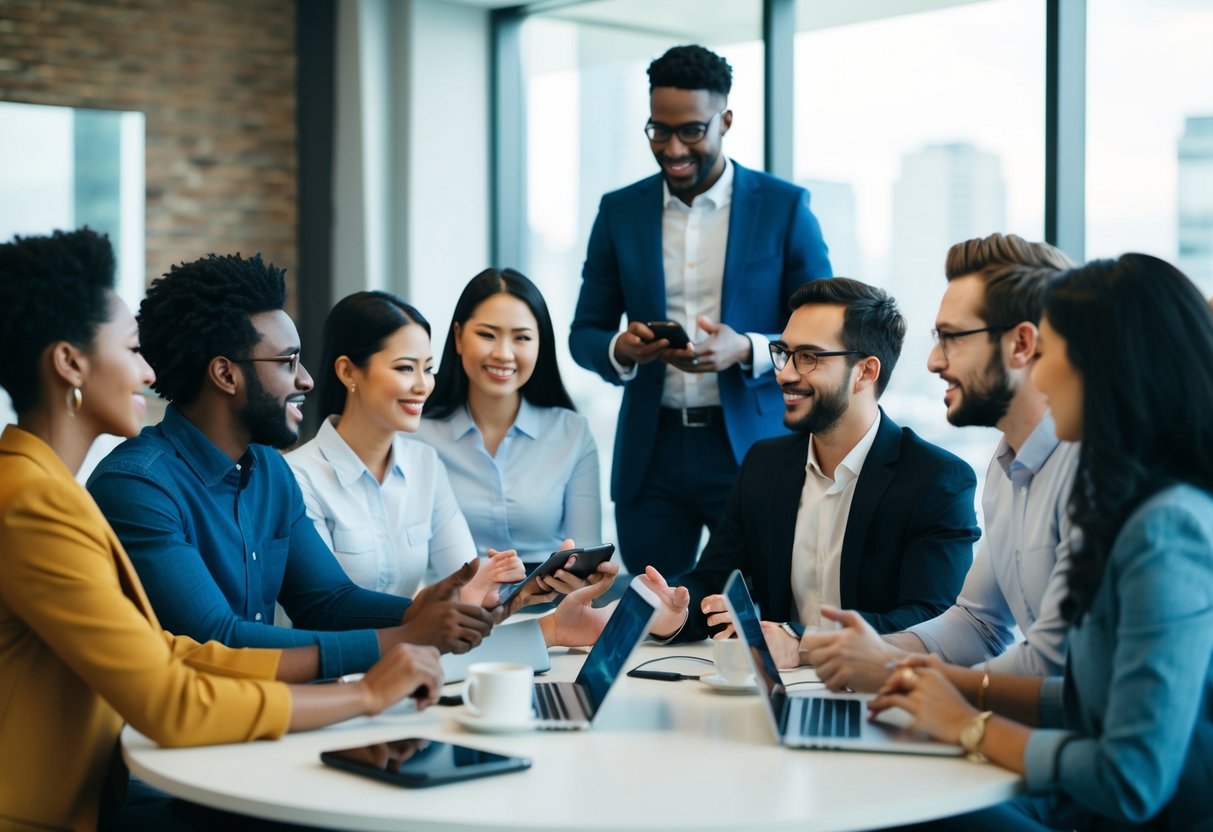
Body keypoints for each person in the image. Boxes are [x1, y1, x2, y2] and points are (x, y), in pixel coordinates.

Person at [0, 229, 443, 830]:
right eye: (132, 350)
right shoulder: (33, 503)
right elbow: (171, 699)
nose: (149, 369)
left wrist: (411, 626)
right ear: (70, 362)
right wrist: (365, 690)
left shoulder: (48, 492)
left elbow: (173, 653)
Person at [872, 254, 1213, 831]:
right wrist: (941, 688)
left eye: (1051, 356)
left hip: (1128, 816)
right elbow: (1087, 699)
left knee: (896, 812)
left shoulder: (1167, 527)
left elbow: (1131, 777)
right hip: (1087, 800)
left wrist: (966, 724)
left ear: (1109, 367)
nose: (1043, 378)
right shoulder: (1131, 503)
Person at [86, 251, 499, 679]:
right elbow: (218, 639)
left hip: (260, 715)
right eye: (287, 362)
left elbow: (327, 601)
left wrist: (419, 609)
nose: (306, 380)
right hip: (173, 734)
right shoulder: (138, 485)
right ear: (226, 376)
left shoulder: (268, 469)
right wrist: (407, 635)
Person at [569, 44, 832, 577]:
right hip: (652, 454)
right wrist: (621, 348)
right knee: (646, 615)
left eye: (690, 130)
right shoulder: (619, 211)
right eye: (658, 131)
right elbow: (585, 332)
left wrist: (750, 349)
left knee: (754, 612)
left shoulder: (784, 208)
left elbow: (830, 328)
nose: (672, 148)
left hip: (752, 448)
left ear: (725, 120)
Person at [803, 234, 1080, 686]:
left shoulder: (1089, 471)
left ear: (1021, 344)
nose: (933, 361)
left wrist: (906, 675)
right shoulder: (1004, 466)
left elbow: (1056, 664)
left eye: (950, 338)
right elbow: (978, 623)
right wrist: (858, 652)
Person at [642, 278, 980, 644]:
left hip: (879, 693)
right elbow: (712, 582)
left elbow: (932, 620)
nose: (784, 373)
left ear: (865, 372)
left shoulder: (936, 480)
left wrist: (802, 641)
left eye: (808, 358)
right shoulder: (764, 464)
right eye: (784, 353)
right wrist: (673, 611)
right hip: (779, 692)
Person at [285, 290, 523, 602]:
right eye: (405, 368)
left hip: (420, 647)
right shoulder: (297, 478)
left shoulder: (426, 464)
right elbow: (329, 609)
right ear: (347, 371)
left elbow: (465, 586)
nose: (423, 386)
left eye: (428, 368)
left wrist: (513, 588)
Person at [417, 268, 601, 568]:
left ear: (540, 345)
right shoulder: (416, 434)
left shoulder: (572, 433)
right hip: (451, 604)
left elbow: (586, 557)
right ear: (459, 337)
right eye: (487, 335)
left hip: (549, 605)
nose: (503, 353)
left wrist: (578, 577)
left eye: (522, 338)